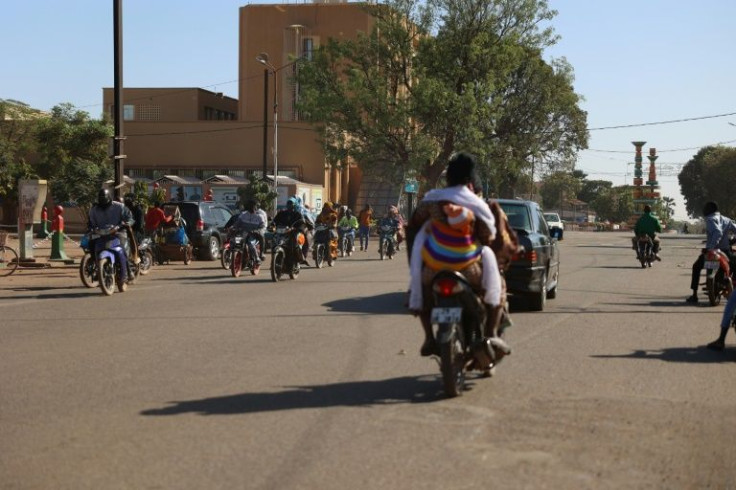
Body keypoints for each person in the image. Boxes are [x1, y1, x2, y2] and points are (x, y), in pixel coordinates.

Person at [405, 152, 504, 357]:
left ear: (448, 177)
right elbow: (488, 235)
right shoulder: (475, 203)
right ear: (470, 179)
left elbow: (414, 223)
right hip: (468, 268)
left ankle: (429, 338)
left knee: (422, 291)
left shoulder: (432, 199)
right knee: (498, 286)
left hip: (434, 269)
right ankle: (491, 334)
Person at [686, 201, 736, 304]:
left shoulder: (710, 219)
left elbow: (717, 232)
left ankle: (694, 295)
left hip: (712, 251)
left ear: (710, 209)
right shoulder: (727, 220)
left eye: (705, 208)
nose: (704, 210)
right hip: (725, 251)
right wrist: (733, 241)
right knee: (734, 265)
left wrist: (711, 247)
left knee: (696, 267)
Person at [88, 188, 135, 283]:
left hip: (118, 232)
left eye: (104, 200)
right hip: (101, 234)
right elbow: (90, 222)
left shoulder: (119, 206)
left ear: (109, 198)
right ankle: (97, 268)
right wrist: (91, 228)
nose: (103, 204)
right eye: (101, 201)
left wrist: (126, 223)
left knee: (123, 248)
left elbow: (130, 218)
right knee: (91, 245)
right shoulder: (94, 210)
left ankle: (128, 271)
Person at [273, 197, 314, 265]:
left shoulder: (298, 214)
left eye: (291, 204)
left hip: (293, 232)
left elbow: (302, 222)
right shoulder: (282, 213)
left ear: (294, 205)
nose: (289, 205)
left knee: (297, 241)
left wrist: (296, 228)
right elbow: (275, 220)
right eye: (288, 204)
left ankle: (301, 257)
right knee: (274, 239)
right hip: (283, 232)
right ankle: (275, 261)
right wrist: (272, 224)